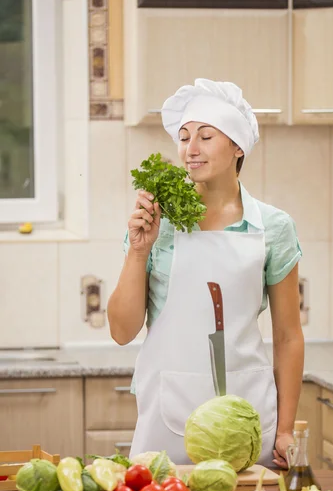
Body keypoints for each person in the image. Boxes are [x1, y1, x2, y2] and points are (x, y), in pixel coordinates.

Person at [107, 78, 304, 469]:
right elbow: (121, 331)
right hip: (167, 415)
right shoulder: (155, 224)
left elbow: (287, 335)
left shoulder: (272, 227)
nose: (190, 149)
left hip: (246, 417)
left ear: (238, 147)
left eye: (206, 136)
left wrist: (284, 428)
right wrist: (137, 251)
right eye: (183, 137)